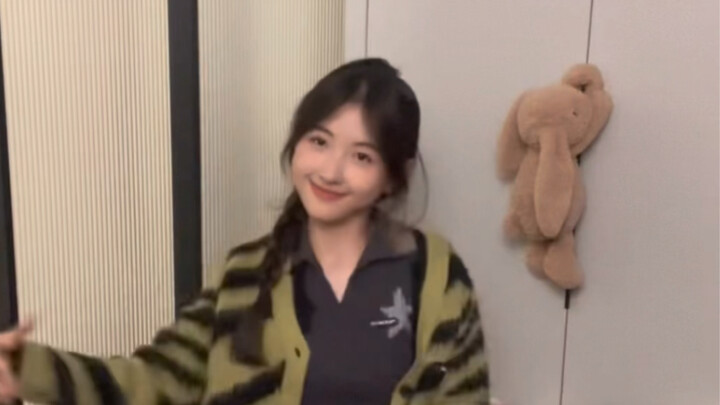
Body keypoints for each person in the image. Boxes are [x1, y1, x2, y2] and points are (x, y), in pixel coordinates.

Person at [0, 58, 489, 405]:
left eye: (361, 156)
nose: (330, 170)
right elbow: (157, 380)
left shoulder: (436, 277)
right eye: (319, 141)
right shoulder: (243, 273)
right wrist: (28, 369)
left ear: (391, 179)